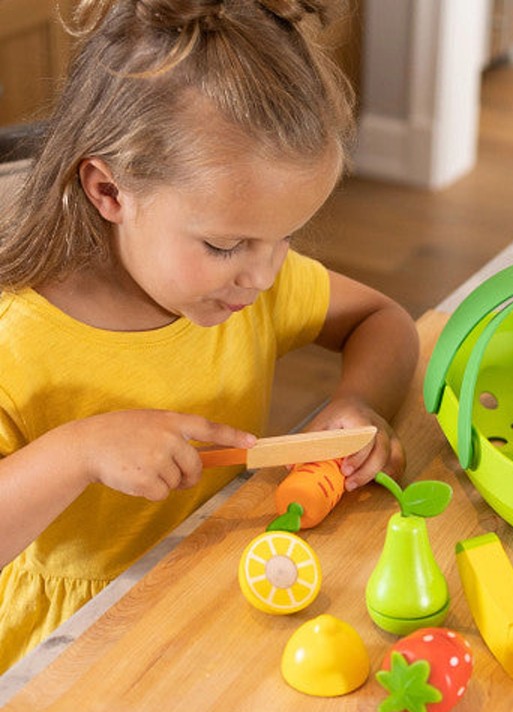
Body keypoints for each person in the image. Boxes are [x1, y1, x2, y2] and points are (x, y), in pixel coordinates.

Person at [0, 0, 420, 673]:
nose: (260, 275)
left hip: (209, 593)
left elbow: (383, 321)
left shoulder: (245, 284)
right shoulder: (17, 339)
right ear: (110, 191)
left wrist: (359, 403)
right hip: (70, 648)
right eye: (226, 243)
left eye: (284, 239)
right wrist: (78, 452)